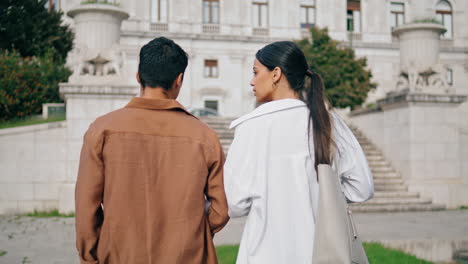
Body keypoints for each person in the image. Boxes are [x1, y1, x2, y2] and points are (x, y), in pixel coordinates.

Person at [75, 37, 229, 264]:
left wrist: (91, 256)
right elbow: (220, 209)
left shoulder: (101, 130)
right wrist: (191, 234)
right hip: (188, 255)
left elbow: (86, 206)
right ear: (179, 80)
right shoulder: (204, 136)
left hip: (119, 254)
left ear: (138, 76)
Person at [224, 41, 374, 263]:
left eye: (256, 72)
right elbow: (362, 188)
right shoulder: (329, 122)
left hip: (264, 254)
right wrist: (320, 193)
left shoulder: (249, 128)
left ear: (276, 74)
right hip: (323, 253)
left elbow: (235, 203)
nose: (252, 81)